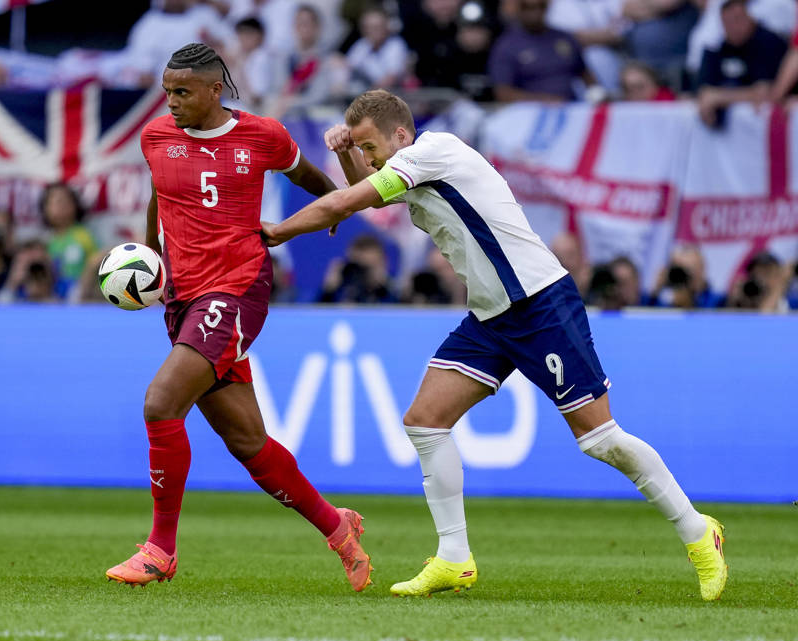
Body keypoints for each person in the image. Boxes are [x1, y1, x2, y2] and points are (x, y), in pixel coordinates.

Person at [262, 89, 727, 600]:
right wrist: (347, 152)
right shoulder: (407, 166)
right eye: (366, 152)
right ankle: (454, 558)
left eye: (374, 148)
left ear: (401, 134)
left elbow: (351, 200)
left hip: (540, 304)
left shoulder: (432, 152)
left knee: (601, 440)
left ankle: (698, 531)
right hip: (491, 316)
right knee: (424, 421)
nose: (371, 160)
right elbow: (369, 193)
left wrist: (277, 232)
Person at [104, 43, 372, 592]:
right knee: (247, 442)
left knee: (160, 403)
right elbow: (160, 193)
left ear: (213, 90)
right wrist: (152, 252)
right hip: (183, 297)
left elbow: (307, 177)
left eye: (181, 92)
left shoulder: (262, 135)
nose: (170, 102)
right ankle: (336, 525)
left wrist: (337, 210)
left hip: (237, 289)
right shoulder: (156, 138)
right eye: (166, 91)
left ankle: (160, 550)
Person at [488, 0, 603, 102]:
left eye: (541, 5)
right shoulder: (506, 45)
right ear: (518, 8)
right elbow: (503, 93)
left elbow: (585, 74)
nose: (535, 11)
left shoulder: (564, 38)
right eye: (526, 6)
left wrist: (597, 94)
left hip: (570, 108)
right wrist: (544, 101)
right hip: (529, 114)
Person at [696, 0, 787, 128]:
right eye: (727, 23)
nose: (733, 27)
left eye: (737, 20)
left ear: (748, 17)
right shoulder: (719, 45)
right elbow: (704, 91)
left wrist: (719, 97)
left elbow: (767, 92)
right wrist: (711, 97)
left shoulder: (768, 42)